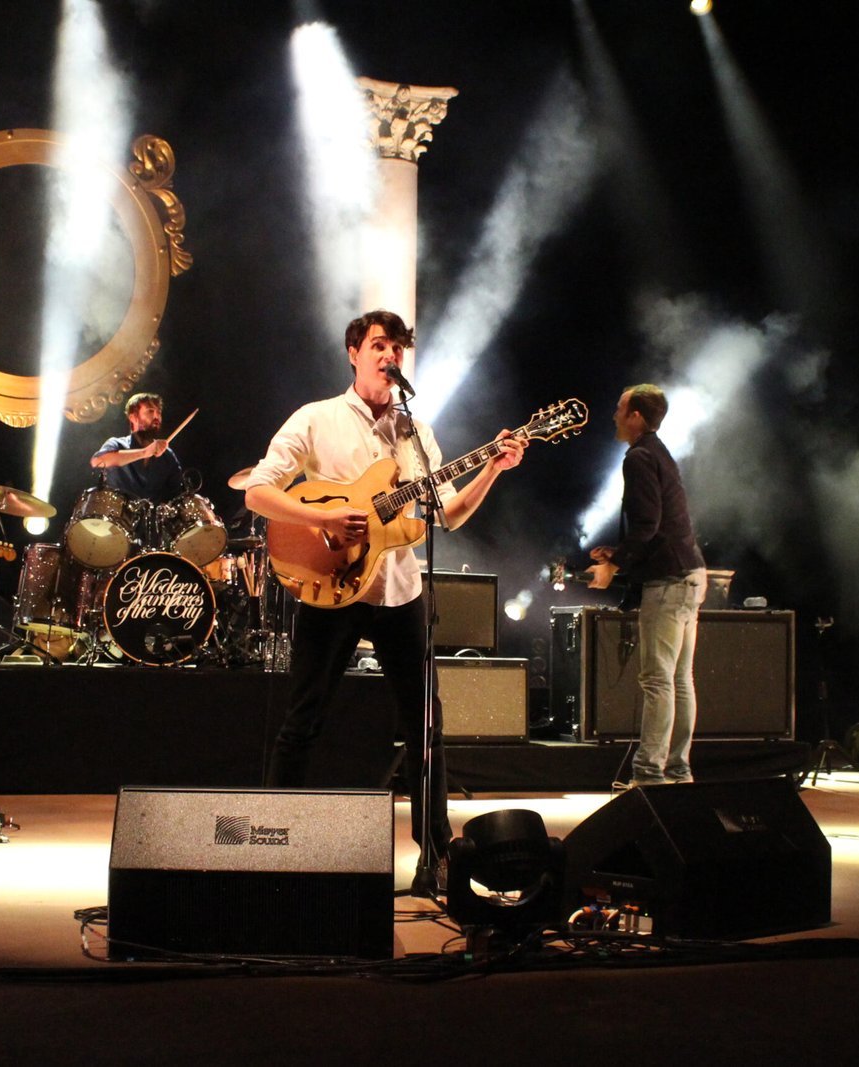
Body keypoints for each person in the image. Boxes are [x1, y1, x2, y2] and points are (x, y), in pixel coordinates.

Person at [241, 310, 525, 896]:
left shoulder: (414, 431)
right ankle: (272, 840)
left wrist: (492, 467)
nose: (388, 354)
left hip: (400, 590)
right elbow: (259, 490)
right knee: (304, 720)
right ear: (353, 352)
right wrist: (322, 516)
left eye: (397, 346)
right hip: (332, 586)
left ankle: (438, 856)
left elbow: (447, 512)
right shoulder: (316, 418)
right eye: (378, 344)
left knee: (426, 726)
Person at [587, 384, 707, 787]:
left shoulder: (639, 457)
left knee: (658, 680)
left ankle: (650, 774)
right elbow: (658, 528)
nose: (615, 415)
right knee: (679, 680)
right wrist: (617, 555)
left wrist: (614, 565)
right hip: (690, 573)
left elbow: (647, 525)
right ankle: (678, 771)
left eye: (621, 408)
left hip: (669, 581)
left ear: (636, 415)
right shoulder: (659, 453)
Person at [90, 391, 186, 503]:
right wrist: (145, 452)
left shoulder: (168, 455)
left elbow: (178, 494)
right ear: (133, 417)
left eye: (159, 412)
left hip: (153, 519)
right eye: (150, 411)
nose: (157, 417)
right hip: (118, 517)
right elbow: (97, 461)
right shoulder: (117, 444)